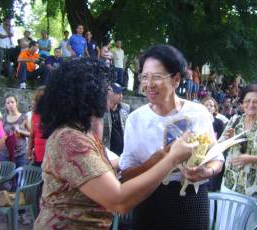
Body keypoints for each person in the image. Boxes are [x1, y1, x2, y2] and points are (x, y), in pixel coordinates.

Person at [33, 57, 197, 229]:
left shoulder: (82, 133)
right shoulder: (69, 140)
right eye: (106, 88)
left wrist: (160, 157)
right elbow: (119, 201)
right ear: (87, 94)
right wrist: (172, 159)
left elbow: (101, 174)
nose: (108, 93)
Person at [119, 45, 224, 230]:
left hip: (192, 199)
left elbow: (217, 158)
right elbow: (126, 174)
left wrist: (205, 172)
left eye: (157, 77)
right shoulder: (136, 119)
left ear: (176, 79)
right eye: (144, 76)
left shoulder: (198, 113)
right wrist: (158, 159)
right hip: (148, 199)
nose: (149, 84)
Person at [217, 84, 257, 230]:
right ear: (241, 104)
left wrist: (249, 158)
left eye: (255, 101)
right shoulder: (234, 121)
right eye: (247, 101)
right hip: (230, 186)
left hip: (256, 190)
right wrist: (227, 139)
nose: (250, 105)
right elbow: (219, 147)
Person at [0, 95, 30, 169]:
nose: (10, 104)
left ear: (16, 103)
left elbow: (31, 133)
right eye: (8, 103)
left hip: (20, 154)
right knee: (5, 178)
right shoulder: (3, 118)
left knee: (20, 178)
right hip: (5, 154)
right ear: (5, 105)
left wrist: (20, 131)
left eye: (12, 102)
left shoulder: (24, 117)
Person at [202, 96, 226, 192]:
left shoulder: (219, 123)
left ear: (215, 108)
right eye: (206, 105)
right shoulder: (197, 122)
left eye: (211, 105)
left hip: (214, 158)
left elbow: (222, 141)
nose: (208, 107)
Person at [102, 83, 130, 156]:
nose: (121, 96)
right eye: (118, 93)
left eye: (121, 93)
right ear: (109, 93)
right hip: (108, 153)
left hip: (123, 153)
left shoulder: (125, 109)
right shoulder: (102, 110)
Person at [28, 86, 47, 167]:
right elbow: (32, 135)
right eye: (39, 98)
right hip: (37, 155)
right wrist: (29, 151)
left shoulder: (54, 115)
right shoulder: (35, 114)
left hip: (49, 156)